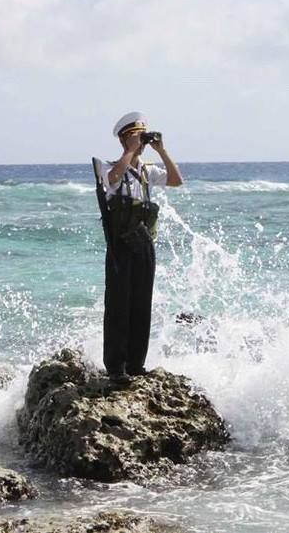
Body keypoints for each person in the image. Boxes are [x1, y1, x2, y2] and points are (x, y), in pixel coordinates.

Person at [97, 112, 183, 385]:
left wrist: (162, 150)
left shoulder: (146, 170)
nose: (141, 141)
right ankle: (116, 366)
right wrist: (130, 152)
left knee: (141, 303)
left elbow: (176, 180)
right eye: (136, 136)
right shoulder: (110, 166)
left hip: (143, 242)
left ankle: (136, 363)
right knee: (119, 304)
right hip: (120, 245)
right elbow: (111, 180)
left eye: (142, 136)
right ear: (123, 138)